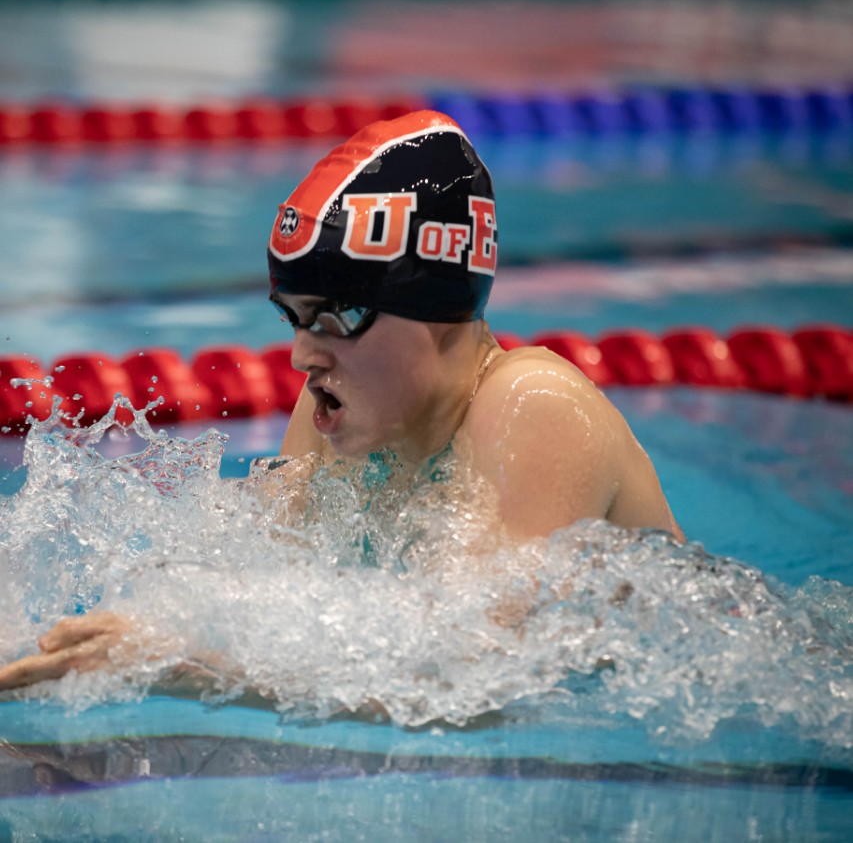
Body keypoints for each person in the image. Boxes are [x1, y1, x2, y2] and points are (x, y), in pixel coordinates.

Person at [0, 109, 682, 694]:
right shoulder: (345, 405)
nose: (302, 355)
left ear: (438, 312)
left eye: (337, 316)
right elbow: (256, 567)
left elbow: (469, 677)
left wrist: (187, 656)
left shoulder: (534, 404)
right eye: (294, 317)